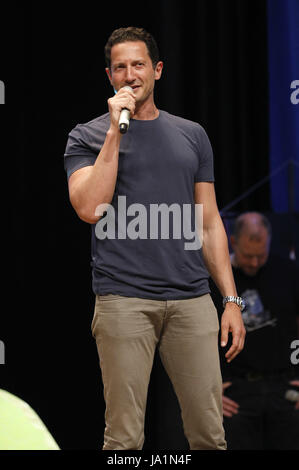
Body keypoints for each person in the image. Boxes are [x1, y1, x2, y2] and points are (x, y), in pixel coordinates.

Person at [63, 26, 245, 450]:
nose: (130, 75)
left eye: (138, 65)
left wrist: (231, 300)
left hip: (192, 301)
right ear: (109, 76)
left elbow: (209, 222)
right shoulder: (86, 136)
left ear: (157, 70)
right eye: (120, 67)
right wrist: (114, 131)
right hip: (123, 300)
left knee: (209, 434)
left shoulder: (192, 135)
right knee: (124, 439)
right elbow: (90, 208)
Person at [210, 212, 299, 450]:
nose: (254, 262)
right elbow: (199, 338)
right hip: (236, 390)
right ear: (233, 242)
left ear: (269, 241)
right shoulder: (215, 279)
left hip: (284, 386)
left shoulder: (288, 271)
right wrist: (209, 387)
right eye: (248, 255)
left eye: (261, 255)